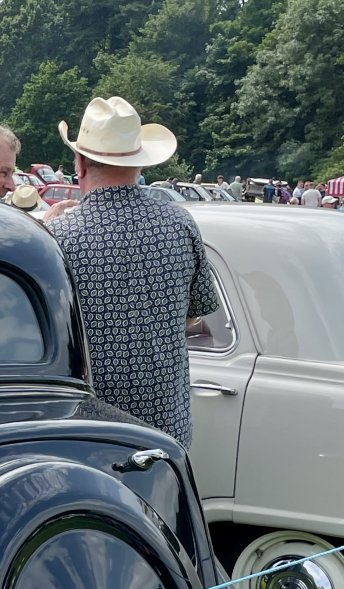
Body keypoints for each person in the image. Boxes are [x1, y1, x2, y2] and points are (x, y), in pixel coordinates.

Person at [43, 96, 218, 450]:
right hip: (165, 425)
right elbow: (196, 311)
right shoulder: (180, 224)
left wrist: (42, 230)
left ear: (79, 163)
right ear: (140, 163)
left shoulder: (58, 237)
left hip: (89, 427)